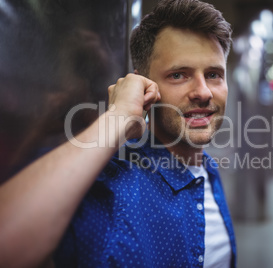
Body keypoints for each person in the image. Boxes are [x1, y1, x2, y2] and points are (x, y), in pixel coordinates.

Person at [0, 0, 236, 267]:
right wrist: (120, 116)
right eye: (179, 75)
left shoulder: (210, 171)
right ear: (145, 85)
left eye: (214, 74)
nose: (204, 92)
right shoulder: (112, 186)